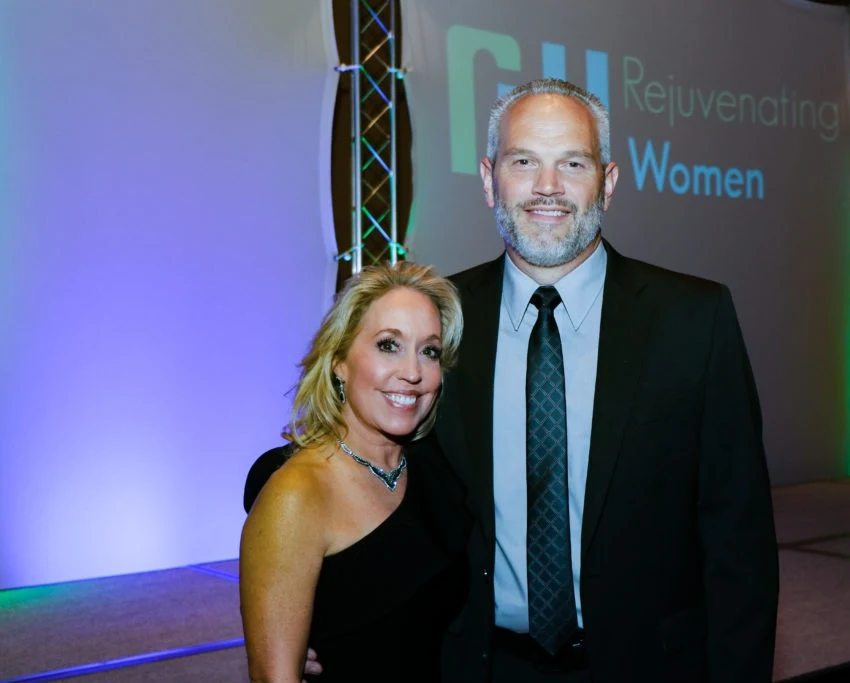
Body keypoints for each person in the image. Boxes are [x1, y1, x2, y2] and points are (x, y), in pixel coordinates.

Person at [296, 77, 779, 682]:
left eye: (572, 163)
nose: (547, 186)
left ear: (607, 182)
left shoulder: (693, 320)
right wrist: (310, 588)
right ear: (488, 179)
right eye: (523, 161)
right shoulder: (442, 318)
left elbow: (740, 542)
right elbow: (364, 459)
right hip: (482, 667)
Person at [239, 262, 470, 683]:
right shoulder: (297, 494)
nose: (413, 372)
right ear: (339, 361)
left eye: (429, 351)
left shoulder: (435, 464)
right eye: (388, 345)